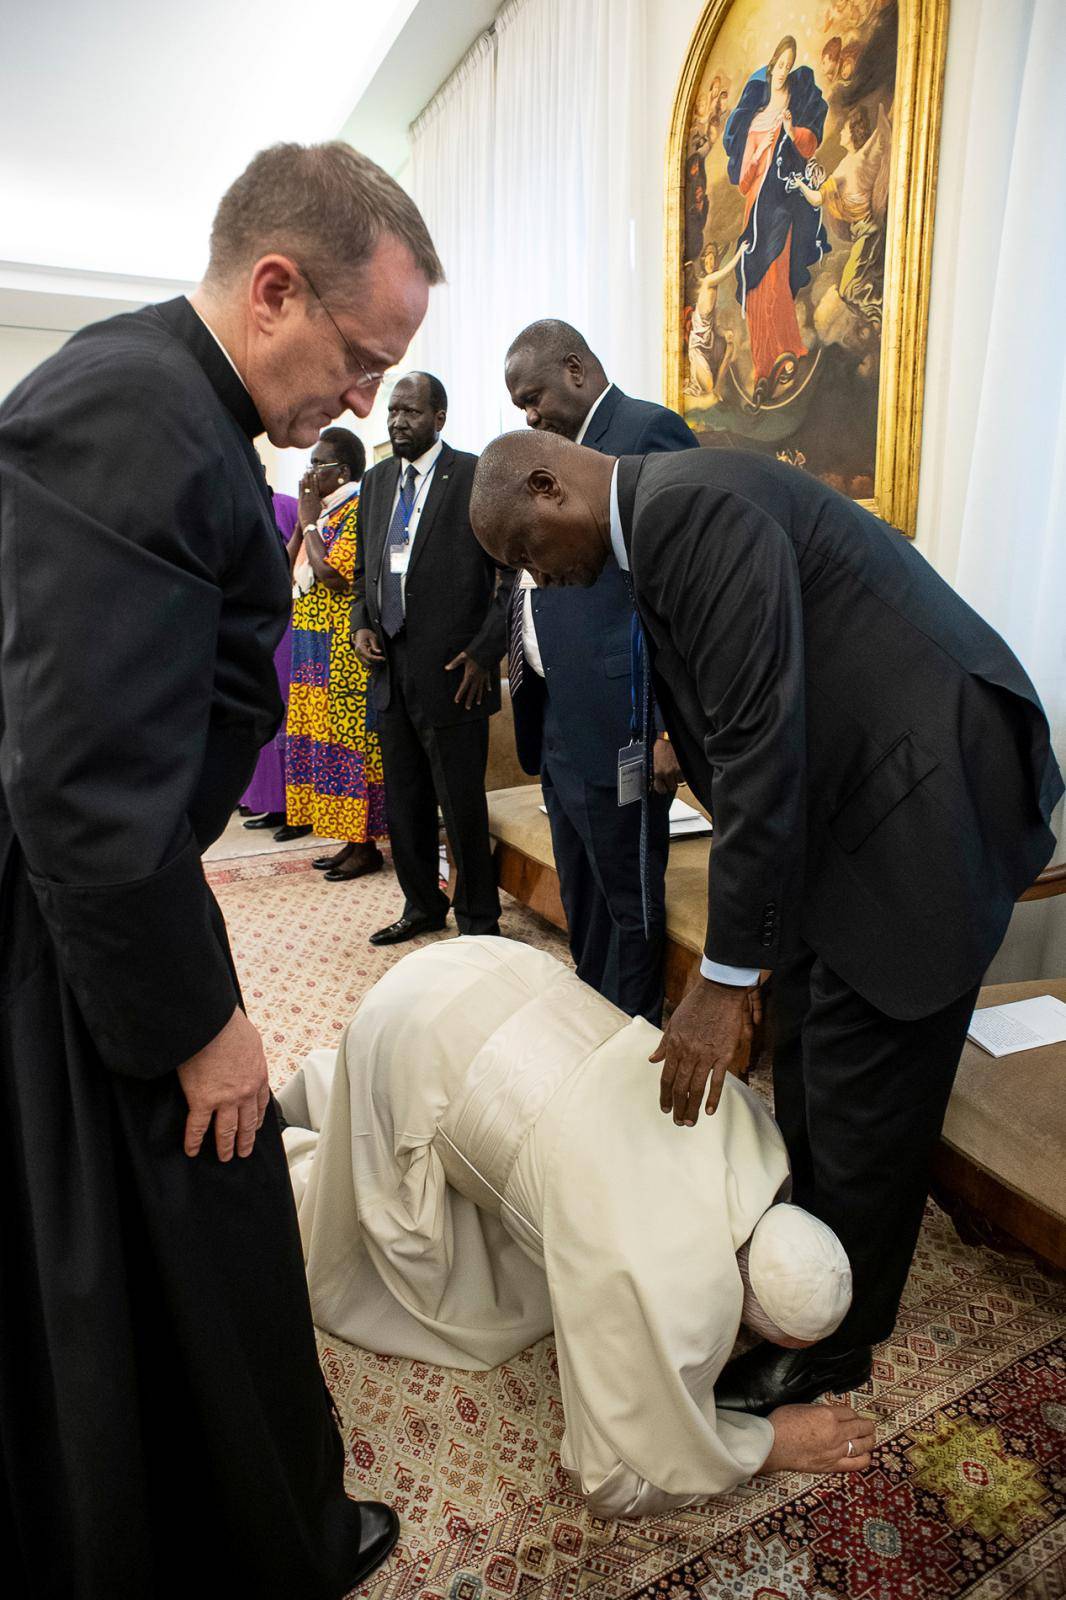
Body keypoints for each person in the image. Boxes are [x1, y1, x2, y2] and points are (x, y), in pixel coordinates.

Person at [0, 140, 442, 1599]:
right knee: (203, 1206)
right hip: (77, 923)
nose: (366, 404)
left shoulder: (153, 398)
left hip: (90, 899)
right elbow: (80, 788)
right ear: (273, 291)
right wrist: (200, 1025)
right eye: (364, 359)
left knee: (148, 1252)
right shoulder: (136, 418)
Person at [467, 431, 1063, 1418]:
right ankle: (802, 1263)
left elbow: (756, 750)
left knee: (865, 1074)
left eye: (530, 553)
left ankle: (833, 1338)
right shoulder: (662, 516)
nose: (545, 580)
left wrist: (724, 977)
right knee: (810, 1060)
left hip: (924, 792)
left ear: (548, 482)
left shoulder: (691, 508)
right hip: (855, 794)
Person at [278, 937, 874, 1517]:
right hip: (412, 1040)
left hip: (491, 969)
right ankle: (284, 1151)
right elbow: (620, 1479)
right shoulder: (662, 1283)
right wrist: (770, 1445)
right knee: (412, 1260)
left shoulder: (755, 1129)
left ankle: (331, 1097)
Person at [503, 320, 697, 1023]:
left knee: (627, 892)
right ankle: (592, 1017)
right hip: (555, 710)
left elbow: (677, 602)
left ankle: (631, 1034)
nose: (528, 414)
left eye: (534, 396)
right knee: (579, 883)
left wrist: (670, 728)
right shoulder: (546, 455)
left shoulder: (649, 434)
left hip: (622, 715)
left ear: (576, 370)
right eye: (519, 404)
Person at [352, 372, 512, 946]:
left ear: (438, 417)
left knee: (461, 806)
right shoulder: (374, 484)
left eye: (411, 412)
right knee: (406, 803)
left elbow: (510, 576)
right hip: (391, 674)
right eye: (393, 411)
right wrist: (362, 625)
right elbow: (361, 575)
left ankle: (478, 921)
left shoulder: (472, 477)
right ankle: (422, 905)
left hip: (455, 675)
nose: (398, 421)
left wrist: (485, 653)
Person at [285, 427, 387, 880]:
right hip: (313, 650)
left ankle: (366, 846)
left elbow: (334, 575)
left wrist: (308, 521)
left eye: (317, 465)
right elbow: (289, 563)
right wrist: (303, 523)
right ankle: (351, 841)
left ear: (342, 471)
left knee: (351, 748)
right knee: (326, 746)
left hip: (343, 651)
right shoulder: (327, 511)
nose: (309, 474)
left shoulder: (358, 506)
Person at [723, 36, 830, 397]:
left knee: (775, 274)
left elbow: (808, 146)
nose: (783, 71)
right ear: (771, 68)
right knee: (755, 283)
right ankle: (761, 365)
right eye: (779, 65)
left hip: (781, 206)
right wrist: (755, 158)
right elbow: (743, 181)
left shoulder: (793, 115)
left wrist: (788, 132)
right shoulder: (754, 119)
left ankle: (785, 350)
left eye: (788, 65)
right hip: (756, 207)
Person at [239, 488, 299, 827]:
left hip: (286, 619)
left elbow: (291, 563)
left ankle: (292, 806)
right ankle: (271, 803)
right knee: (262, 710)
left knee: (286, 713)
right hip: (253, 621)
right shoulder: (244, 502)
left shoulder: (288, 507)